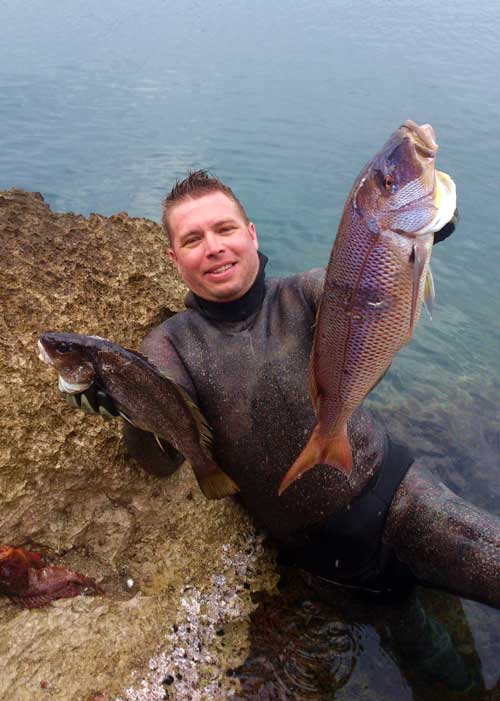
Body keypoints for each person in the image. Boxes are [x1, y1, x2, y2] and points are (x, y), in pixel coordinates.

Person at [63, 170, 500, 611]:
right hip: (322, 558)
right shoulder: (169, 345)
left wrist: (421, 234)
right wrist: (127, 404)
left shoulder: (307, 292)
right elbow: (160, 462)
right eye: (193, 240)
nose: (213, 247)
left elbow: (372, 293)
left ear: (251, 235)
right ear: (174, 259)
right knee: (422, 648)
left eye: (225, 229)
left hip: (405, 499)